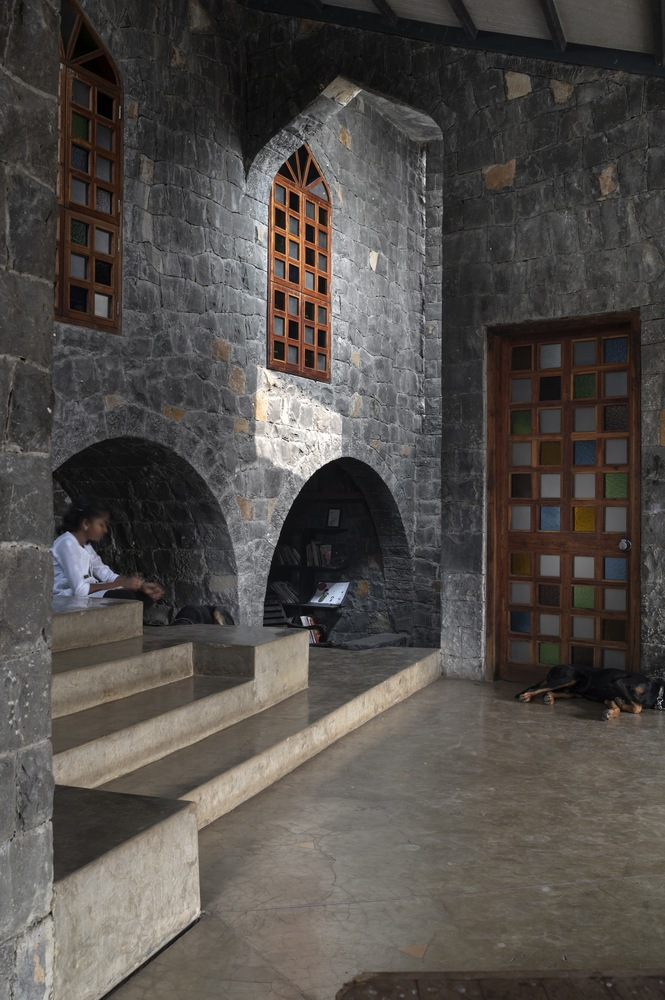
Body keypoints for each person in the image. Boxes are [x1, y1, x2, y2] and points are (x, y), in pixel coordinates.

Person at [51, 496, 165, 606]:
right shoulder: (67, 543)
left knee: (144, 598)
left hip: (85, 596)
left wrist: (139, 585)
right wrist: (121, 584)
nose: (105, 530)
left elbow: (107, 574)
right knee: (127, 598)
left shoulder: (86, 546)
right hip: (67, 598)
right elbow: (80, 590)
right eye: (101, 524)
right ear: (86, 524)